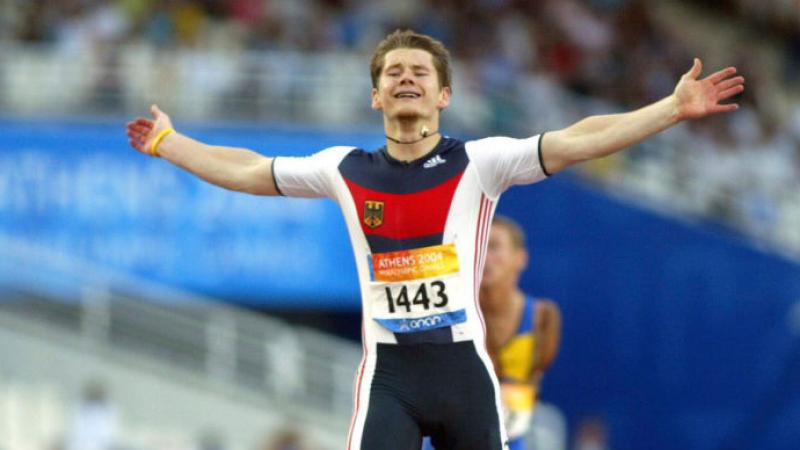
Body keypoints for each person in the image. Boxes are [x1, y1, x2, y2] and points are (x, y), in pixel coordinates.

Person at [126, 29, 744, 450]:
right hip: (389, 374)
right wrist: (168, 143)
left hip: (463, 373)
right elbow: (247, 169)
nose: (406, 79)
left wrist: (668, 109)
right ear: (375, 96)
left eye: (420, 72)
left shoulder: (482, 162)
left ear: (444, 95)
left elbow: (578, 137)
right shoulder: (342, 169)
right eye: (393, 72)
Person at [421, 216, 562, 450]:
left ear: (520, 259)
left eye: (494, 247)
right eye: (479, 247)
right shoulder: (452, 310)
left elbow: (536, 377)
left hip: (510, 440)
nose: (484, 258)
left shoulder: (543, 319)